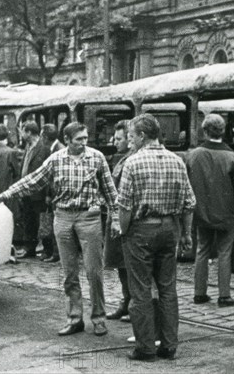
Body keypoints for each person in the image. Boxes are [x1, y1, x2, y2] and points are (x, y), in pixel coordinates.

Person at [0, 122, 117, 337]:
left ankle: (99, 318)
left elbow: (110, 192)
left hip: (89, 218)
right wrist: (4, 196)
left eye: (85, 138)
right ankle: (74, 319)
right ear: (68, 139)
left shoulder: (97, 158)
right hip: (62, 217)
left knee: (94, 272)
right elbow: (32, 181)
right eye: (79, 139)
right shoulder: (56, 160)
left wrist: (116, 218)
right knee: (69, 273)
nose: (84, 143)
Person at [117, 114, 196, 361]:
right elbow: (189, 203)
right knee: (167, 287)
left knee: (140, 288)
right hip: (169, 227)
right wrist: (186, 233)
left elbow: (125, 206)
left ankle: (146, 347)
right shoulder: (177, 161)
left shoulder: (133, 163)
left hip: (141, 229)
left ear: (141, 136)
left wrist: (123, 230)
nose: (131, 140)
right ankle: (169, 345)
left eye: (131, 136)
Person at [187, 114, 234, 307]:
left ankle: (199, 293)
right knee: (224, 252)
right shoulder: (232, 157)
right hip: (226, 214)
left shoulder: (193, 155)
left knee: (202, 250)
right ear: (223, 131)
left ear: (205, 131)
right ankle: (224, 295)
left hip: (201, 213)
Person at [104, 120, 133, 321]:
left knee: (129, 265)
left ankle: (133, 305)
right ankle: (126, 301)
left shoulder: (132, 160)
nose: (115, 142)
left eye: (119, 138)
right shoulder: (121, 159)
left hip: (124, 219)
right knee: (121, 265)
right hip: (114, 218)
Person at [16, 121, 51, 258]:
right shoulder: (28, 147)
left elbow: (48, 173)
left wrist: (48, 194)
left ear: (29, 132)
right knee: (28, 220)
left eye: (23, 131)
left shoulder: (44, 149)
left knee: (42, 221)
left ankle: (47, 250)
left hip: (39, 193)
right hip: (26, 191)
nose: (22, 134)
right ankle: (29, 248)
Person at [38, 124, 63, 263]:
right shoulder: (54, 148)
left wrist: (49, 194)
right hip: (54, 192)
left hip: (56, 193)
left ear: (45, 137)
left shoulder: (58, 150)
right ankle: (53, 252)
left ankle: (56, 253)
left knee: (56, 223)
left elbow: (52, 175)